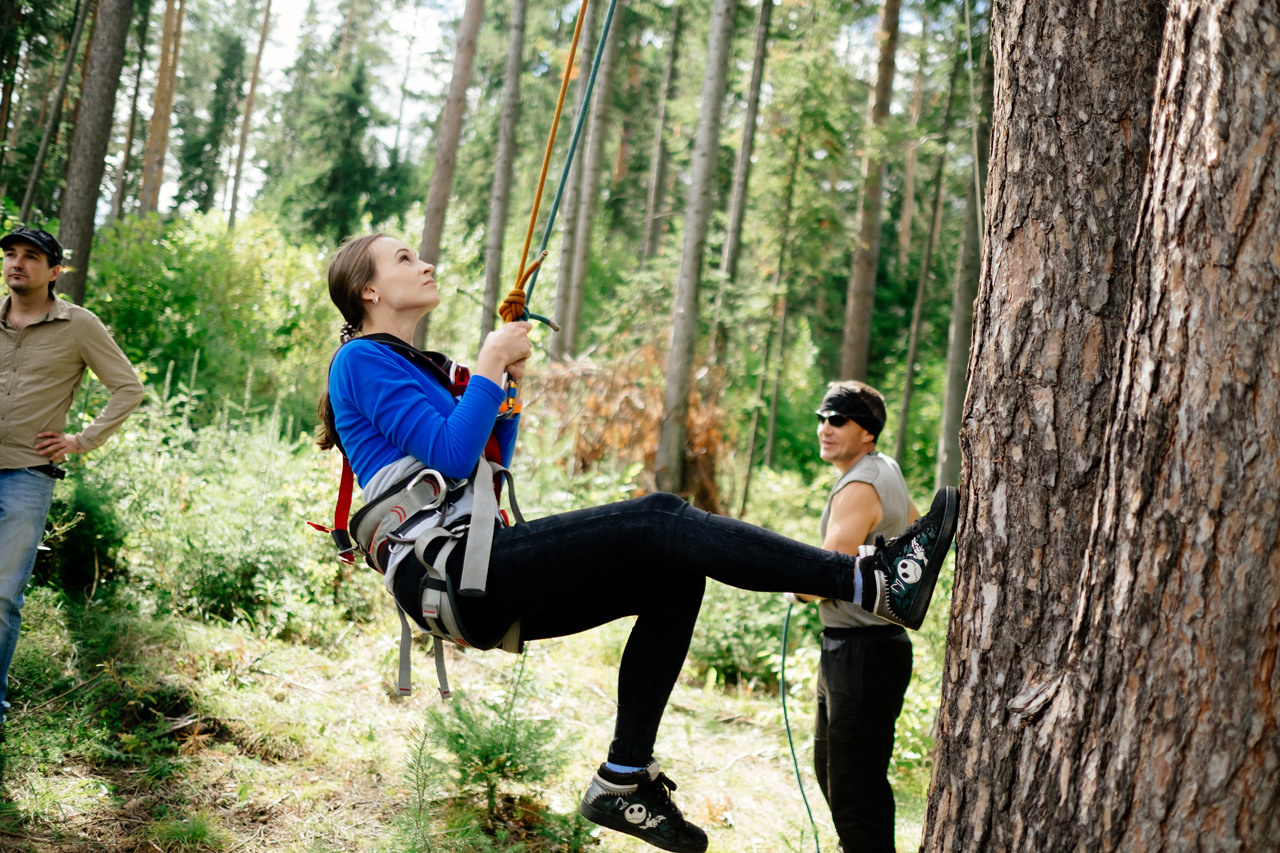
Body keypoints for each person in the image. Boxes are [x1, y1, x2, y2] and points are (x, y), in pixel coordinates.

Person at [317, 233, 958, 853]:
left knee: (671, 577)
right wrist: (487, 363)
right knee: (658, 518)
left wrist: (504, 387)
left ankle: (624, 777)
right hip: (453, 571)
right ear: (369, 290)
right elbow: (452, 456)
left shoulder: (417, 367)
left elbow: (487, 461)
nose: (425, 263)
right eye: (405, 258)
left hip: (476, 569)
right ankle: (869, 582)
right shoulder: (360, 360)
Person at [0, 227, 144, 728]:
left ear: (54, 271)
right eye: (10, 254)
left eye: (30, 256)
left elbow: (128, 387)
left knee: (2, 594)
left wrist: (82, 439)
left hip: (27, 474)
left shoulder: (79, 325)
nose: (17, 263)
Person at [790, 381, 925, 852]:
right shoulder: (884, 469)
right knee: (835, 773)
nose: (824, 428)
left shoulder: (860, 485)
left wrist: (795, 589)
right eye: (821, 419)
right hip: (859, 649)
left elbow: (823, 576)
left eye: (838, 420)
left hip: (862, 655)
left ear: (867, 432)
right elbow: (915, 527)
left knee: (855, 789)